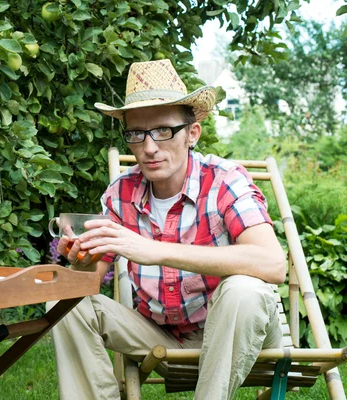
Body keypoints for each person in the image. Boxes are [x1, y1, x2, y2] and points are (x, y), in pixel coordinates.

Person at [49, 59, 286, 400]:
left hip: (238, 329)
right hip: (160, 335)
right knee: (66, 300)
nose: (148, 148)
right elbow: (87, 281)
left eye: (163, 131)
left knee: (243, 290)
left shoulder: (224, 180)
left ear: (192, 133)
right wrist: (80, 259)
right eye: (136, 134)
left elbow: (272, 264)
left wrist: (156, 251)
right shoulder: (121, 193)